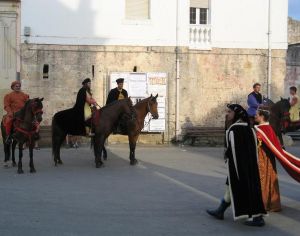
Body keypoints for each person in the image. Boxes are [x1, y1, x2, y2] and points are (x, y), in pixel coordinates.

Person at [206, 104, 266, 227]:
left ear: (237, 114)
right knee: (230, 186)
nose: (227, 114)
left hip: (240, 167)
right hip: (248, 166)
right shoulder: (249, 128)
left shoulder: (235, 130)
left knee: (247, 188)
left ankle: (258, 217)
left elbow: (234, 150)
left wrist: (228, 155)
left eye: (230, 112)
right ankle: (220, 211)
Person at [254, 109, 281, 212]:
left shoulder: (264, 129)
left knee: (263, 179)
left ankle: (264, 203)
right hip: (266, 158)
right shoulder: (265, 128)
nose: (254, 116)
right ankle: (271, 203)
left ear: (262, 117)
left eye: (256, 115)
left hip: (263, 158)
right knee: (268, 178)